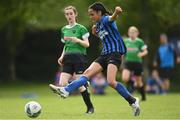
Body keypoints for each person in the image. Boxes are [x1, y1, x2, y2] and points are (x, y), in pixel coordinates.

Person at [50, 2, 140, 116]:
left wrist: (117, 12)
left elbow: (112, 18)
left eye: (92, 14)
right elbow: (105, 35)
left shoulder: (106, 19)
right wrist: (96, 34)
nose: (90, 17)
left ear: (99, 13)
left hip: (115, 54)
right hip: (104, 55)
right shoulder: (97, 25)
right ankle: (66, 90)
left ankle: (133, 101)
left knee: (111, 82)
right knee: (86, 74)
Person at [50, 6, 94, 114]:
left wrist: (77, 40)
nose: (69, 16)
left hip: (79, 57)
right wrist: (62, 56)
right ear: (65, 16)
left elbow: (87, 44)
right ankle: (83, 84)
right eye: (67, 14)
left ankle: (90, 108)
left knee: (79, 86)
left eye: (71, 13)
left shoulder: (81, 28)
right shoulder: (64, 30)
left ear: (75, 14)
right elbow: (65, 46)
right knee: (62, 83)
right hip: (68, 58)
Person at [122, 26, 148, 101]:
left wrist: (141, 54)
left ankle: (143, 97)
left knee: (139, 82)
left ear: (137, 33)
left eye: (133, 32)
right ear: (128, 33)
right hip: (128, 62)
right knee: (125, 78)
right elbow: (123, 52)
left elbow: (145, 51)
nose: (132, 34)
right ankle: (133, 84)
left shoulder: (140, 41)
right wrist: (121, 58)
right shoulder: (126, 41)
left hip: (137, 63)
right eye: (130, 32)